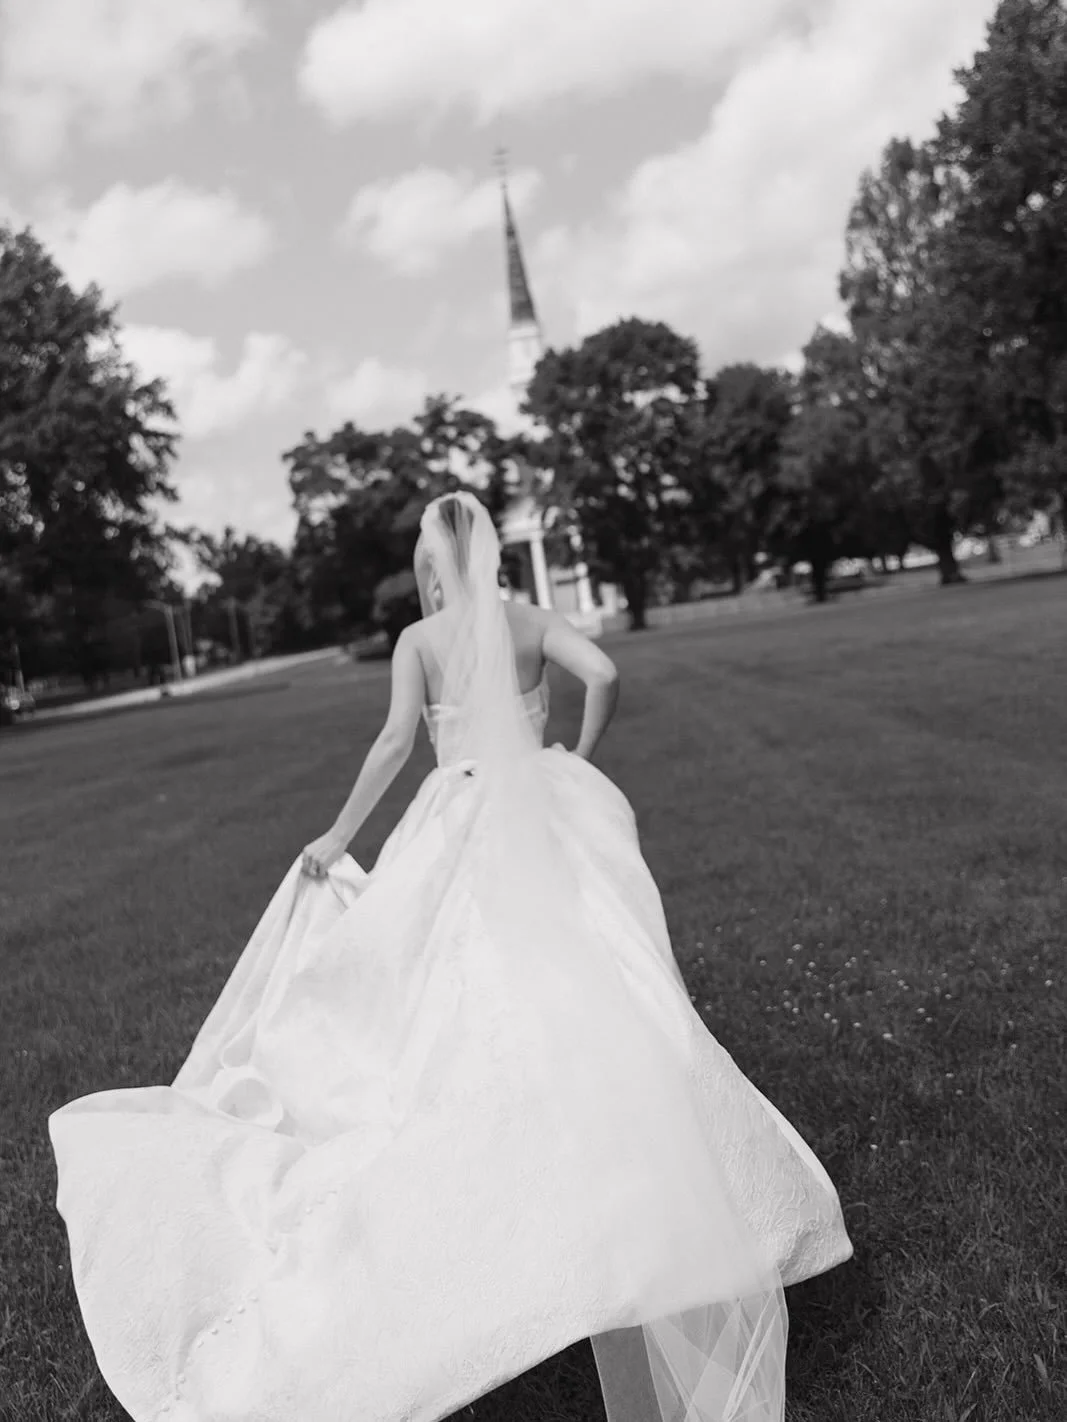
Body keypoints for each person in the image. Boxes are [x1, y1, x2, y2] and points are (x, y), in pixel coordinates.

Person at [49, 491, 852, 1422]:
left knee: (449, 992)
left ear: (435, 563)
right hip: (547, 811)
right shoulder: (530, 618)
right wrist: (571, 758)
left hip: (459, 815)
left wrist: (338, 830)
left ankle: (495, 1164)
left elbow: (397, 741)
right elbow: (604, 671)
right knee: (599, 980)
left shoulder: (421, 641)